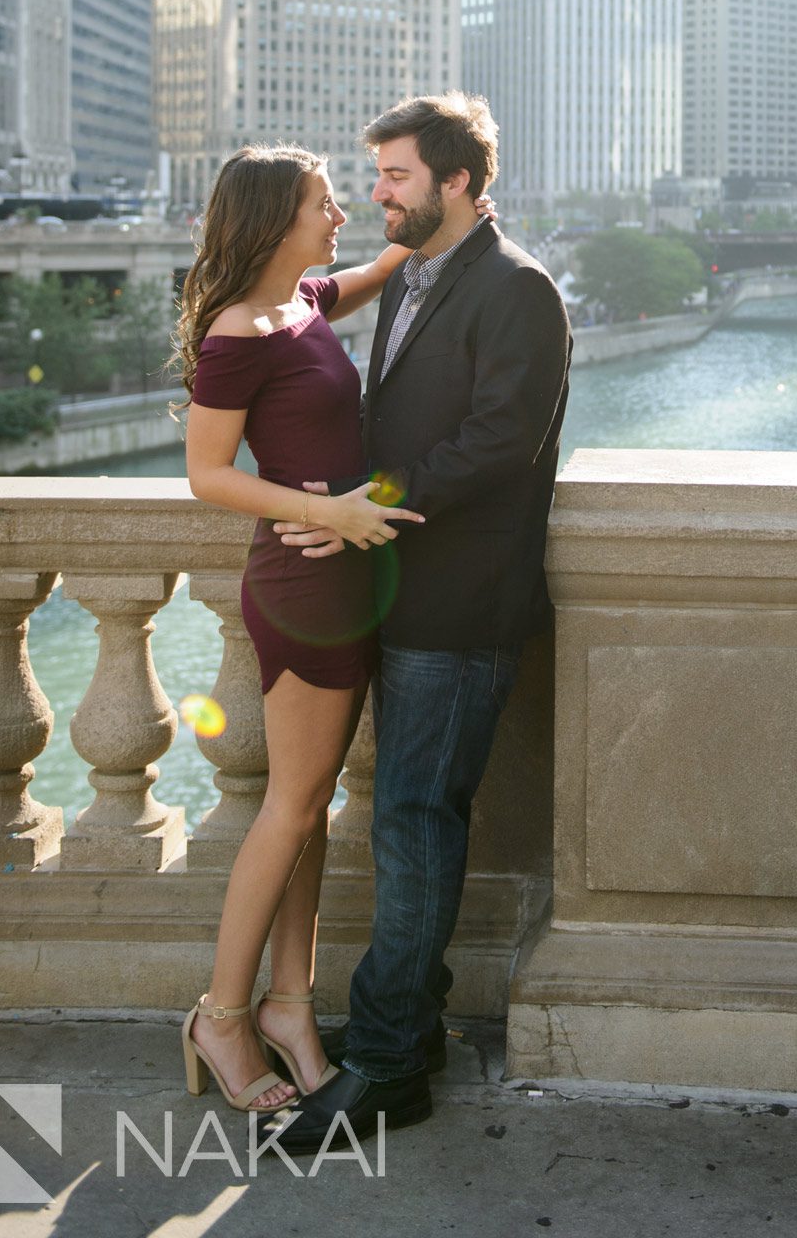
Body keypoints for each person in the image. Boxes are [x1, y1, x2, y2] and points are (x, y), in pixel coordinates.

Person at [267, 91, 571, 1154]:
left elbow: (497, 442)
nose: (376, 192)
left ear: (458, 183)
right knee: (404, 821)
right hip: (401, 597)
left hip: (460, 605)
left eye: (395, 175)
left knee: (411, 822)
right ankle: (409, 1024)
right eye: (377, 173)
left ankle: (390, 1063)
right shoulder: (414, 274)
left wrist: (368, 505)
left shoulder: (517, 287)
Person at [176, 143, 434, 1112]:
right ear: (275, 218)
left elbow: (371, 270)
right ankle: (224, 1015)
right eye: (325, 203)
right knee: (290, 807)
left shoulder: (306, 303)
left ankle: (292, 1003)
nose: (341, 214)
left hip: (343, 578)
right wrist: (328, 510)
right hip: (303, 583)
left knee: (311, 801)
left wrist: (448, 213)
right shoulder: (240, 330)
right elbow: (206, 472)